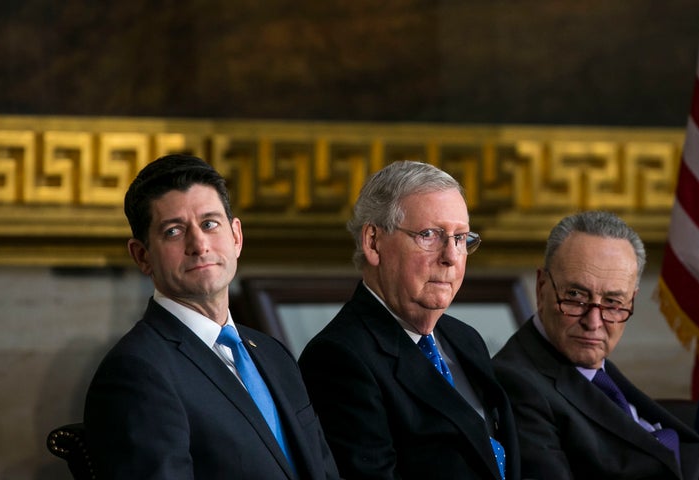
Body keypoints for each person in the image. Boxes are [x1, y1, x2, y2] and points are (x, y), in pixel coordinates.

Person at [84, 154, 339, 480]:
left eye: (209, 224)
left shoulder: (274, 354)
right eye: (174, 231)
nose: (199, 244)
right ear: (142, 256)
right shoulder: (135, 372)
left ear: (236, 237)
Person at [298, 160, 520, 480]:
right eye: (429, 235)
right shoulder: (339, 358)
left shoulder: (464, 338)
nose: (451, 257)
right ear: (373, 242)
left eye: (460, 238)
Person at [492, 210, 699, 480]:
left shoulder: (591, 369)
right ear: (541, 287)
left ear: (631, 300)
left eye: (613, 302)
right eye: (575, 296)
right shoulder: (516, 383)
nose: (593, 322)